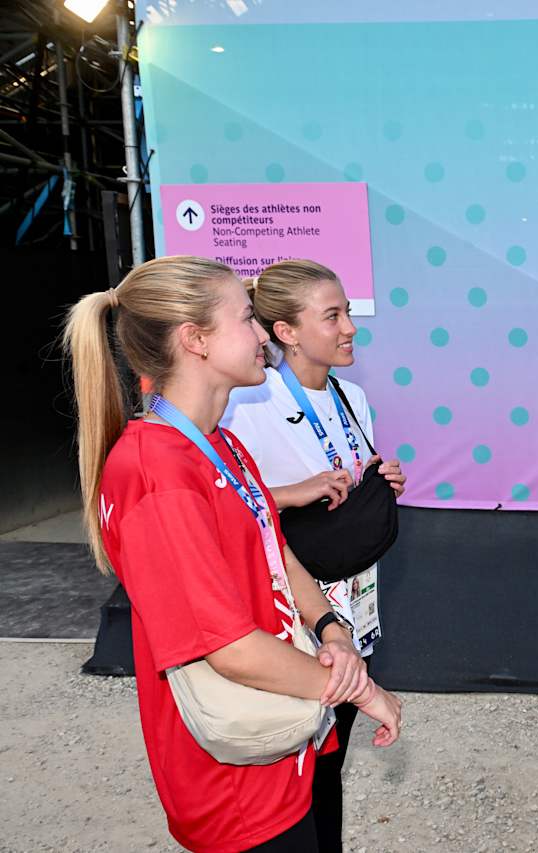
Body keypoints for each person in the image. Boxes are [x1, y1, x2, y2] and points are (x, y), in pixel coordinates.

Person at [63, 255, 403, 852]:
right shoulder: (156, 471)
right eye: (247, 319)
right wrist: (359, 689)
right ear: (195, 340)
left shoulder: (221, 444)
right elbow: (226, 646)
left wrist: (330, 627)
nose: (261, 332)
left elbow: (277, 552)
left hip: (279, 750)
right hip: (236, 786)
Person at [221, 259, 406, 852]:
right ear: (286, 331)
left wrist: (379, 481)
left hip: (355, 605)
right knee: (293, 757)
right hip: (294, 611)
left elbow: (344, 479)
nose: (350, 326)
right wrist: (289, 494)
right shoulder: (248, 401)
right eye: (333, 315)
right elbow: (218, 502)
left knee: (333, 756)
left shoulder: (353, 396)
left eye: (348, 311)